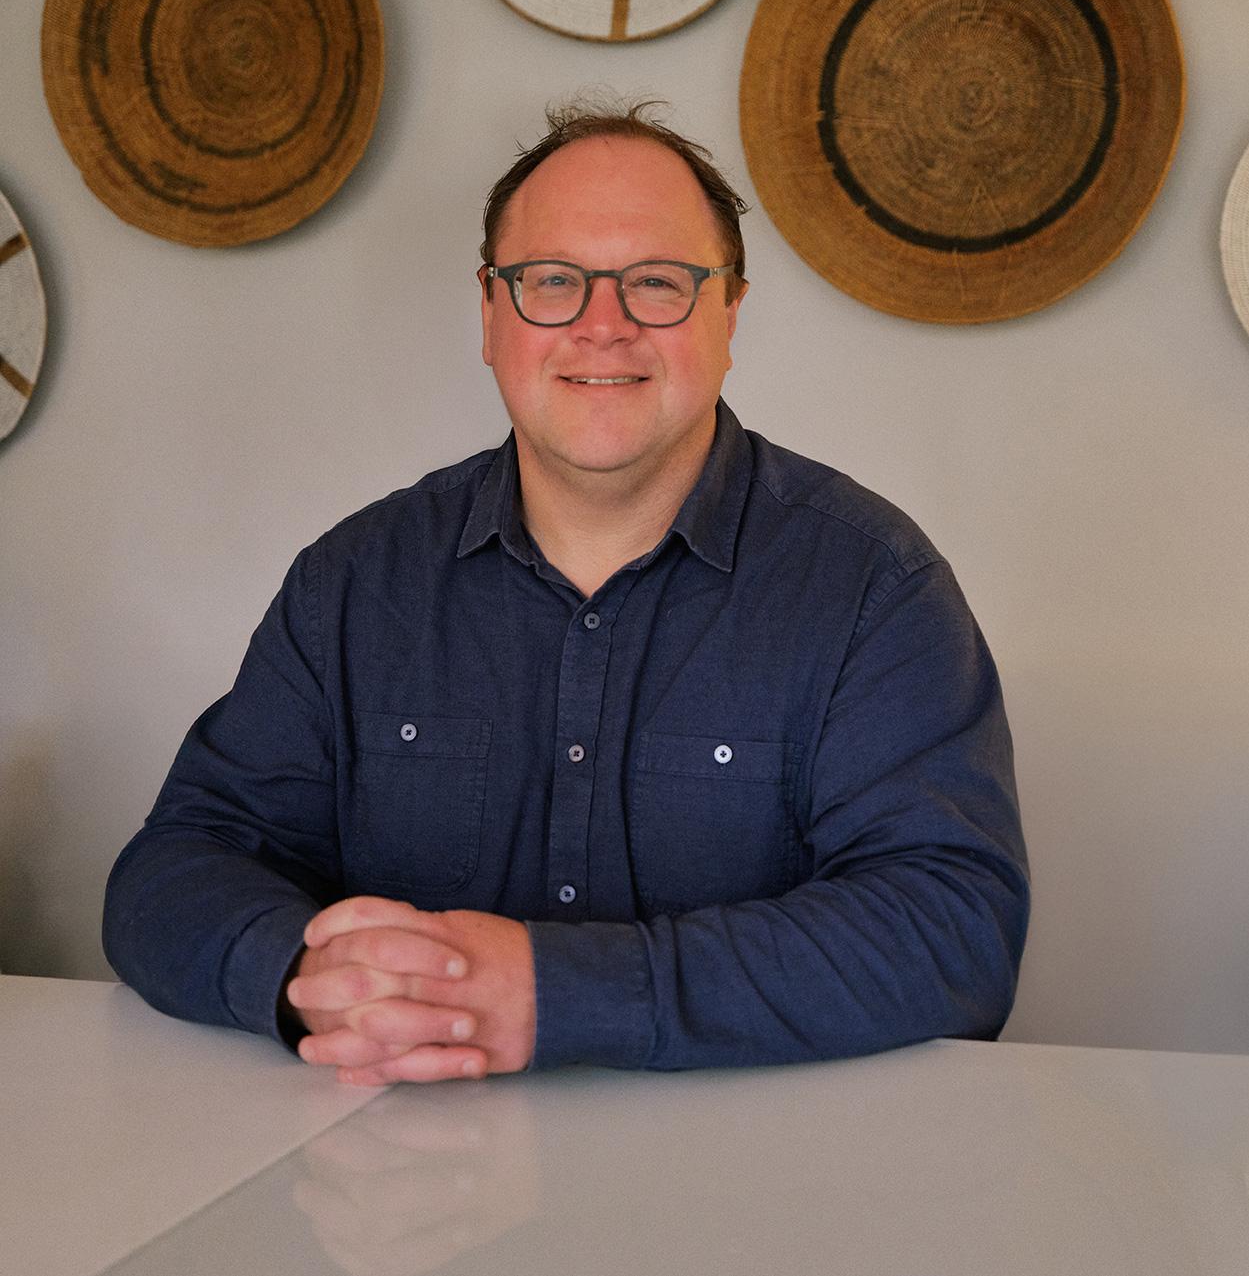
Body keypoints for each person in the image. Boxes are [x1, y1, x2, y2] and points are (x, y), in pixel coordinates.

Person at [103, 100, 1029, 1086]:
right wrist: (305, 975)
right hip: (404, 1193)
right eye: (552, 281)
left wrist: (556, 992)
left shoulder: (872, 586)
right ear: (492, 315)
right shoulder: (353, 583)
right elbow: (168, 875)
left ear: (728, 315)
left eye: (657, 284)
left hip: (755, 1205)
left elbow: (951, 932)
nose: (602, 326)